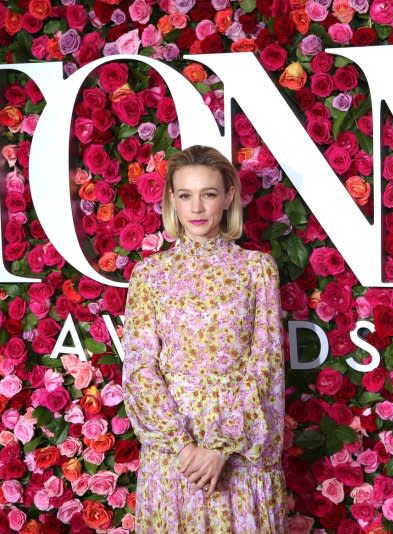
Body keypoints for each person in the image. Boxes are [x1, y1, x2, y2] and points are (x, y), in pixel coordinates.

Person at [121, 144, 288, 533]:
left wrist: (220, 447)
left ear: (228, 196)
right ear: (172, 201)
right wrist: (184, 446)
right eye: (185, 195)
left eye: (208, 194)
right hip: (174, 456)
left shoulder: (256, 269)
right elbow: (139, 367)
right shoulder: (150, 274)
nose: (197, 209)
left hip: (240, 448)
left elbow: (265, 364)